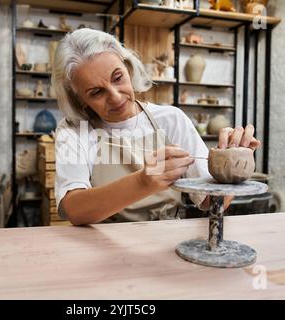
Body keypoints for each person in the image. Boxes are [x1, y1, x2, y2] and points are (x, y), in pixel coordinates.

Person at [51, 28, 261, 226]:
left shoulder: (171, 119)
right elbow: (74, 209)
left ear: (129, 69)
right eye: (96, 92)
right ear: (79, 100)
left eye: (118, 78)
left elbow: (210, 202)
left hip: (167, 238)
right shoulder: (74, 130)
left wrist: (230, 166)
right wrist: (143, 182)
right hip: (104, 243)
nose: (115, 97)